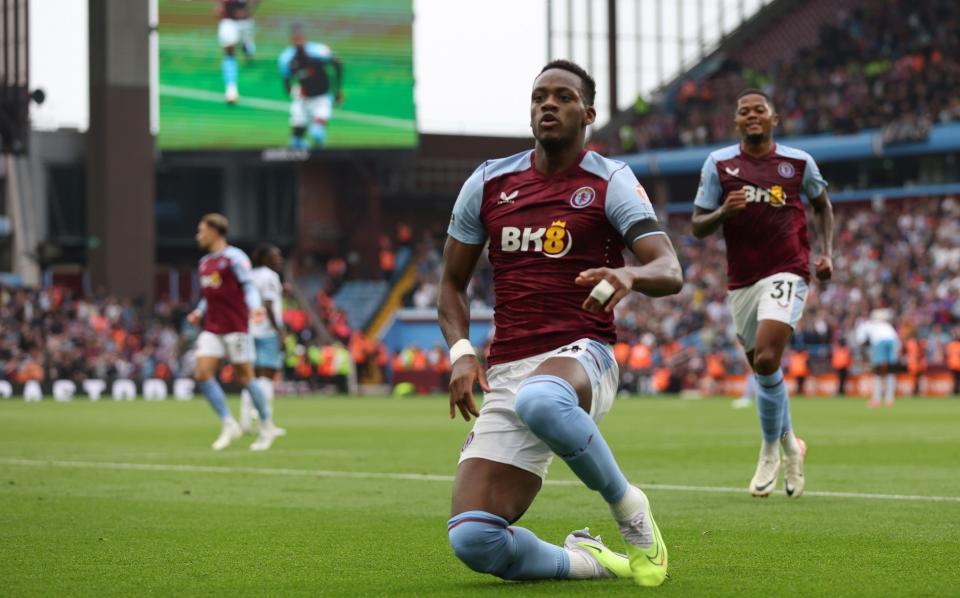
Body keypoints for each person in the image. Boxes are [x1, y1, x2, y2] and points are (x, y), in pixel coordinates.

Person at [439, 60, 682, 586]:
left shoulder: (610, 179)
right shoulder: (487, 182)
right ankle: (592, 561)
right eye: (539, 97)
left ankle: (630, 511)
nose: (548, 104)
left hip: (583, 354)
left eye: (563, 97)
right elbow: (450, 285)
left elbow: (670, 269)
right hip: (506, 371)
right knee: (473, 539)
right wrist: (461, 353)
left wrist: (629, 276)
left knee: (542, 399)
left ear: (588, 113)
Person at [691, 88, 834, 498]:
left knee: (769, 359)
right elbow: (698, 224)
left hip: (788, 270)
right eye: (743, 111)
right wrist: (723, 212)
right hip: (742, 281)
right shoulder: (718, 165)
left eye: (759, 110)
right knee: (763, 371)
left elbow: (823, 205)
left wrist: (826, 254)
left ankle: (770, 450)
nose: (751, 115)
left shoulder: (798, 163)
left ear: (774, 119)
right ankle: (793, 443)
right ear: (736, 122)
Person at [186, 214, 284, 451]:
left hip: (236, 327)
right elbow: (210, 295)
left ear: (214, 232)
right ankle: (229, 423)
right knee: (202, 373)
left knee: (245, 378)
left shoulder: (235, 258)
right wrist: (199, 311)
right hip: (213, 327)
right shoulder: (204, 263)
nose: (198, 236)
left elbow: (248, 286)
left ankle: (266, 424)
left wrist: (256, 307)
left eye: (201, 231)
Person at [239, 244, 287, 436]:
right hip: (266, 331)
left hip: (249, 330)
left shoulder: (250, 275)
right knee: (266, 378)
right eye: (275, 256)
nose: (279, 259)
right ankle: (265, 424)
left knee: (252, 378)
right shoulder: (270, 276)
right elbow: (268, 304)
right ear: (264, 258)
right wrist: (280, 331)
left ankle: (245, 420)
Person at [278, 24, 343, 149]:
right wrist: (293, 94)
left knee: (317, 133)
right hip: (303, 100)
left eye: (300, 38)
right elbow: (286, 80)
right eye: (296, 39)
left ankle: (320, 153)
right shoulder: (286, 59)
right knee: (295, 142)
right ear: (292, 40)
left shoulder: (319, 52)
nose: (299, 42)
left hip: (321, 98)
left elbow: (338, 65)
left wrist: (338, 90)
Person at [855, 309, 900, 408]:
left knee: (878, 373)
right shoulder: (887, 325)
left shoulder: (866, 325)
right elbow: (896, 339)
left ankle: (876, 400)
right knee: (890, 372)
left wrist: (864, 356)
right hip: (893, 341)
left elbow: (860, 341)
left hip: (880, 342)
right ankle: (889, 400)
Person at [217, 0, 259, 104]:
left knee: (249, 52)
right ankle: (231, 89)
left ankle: (246, 47)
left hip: (245, 22)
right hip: (229, 21)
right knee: (229, 52)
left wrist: (248, 8)